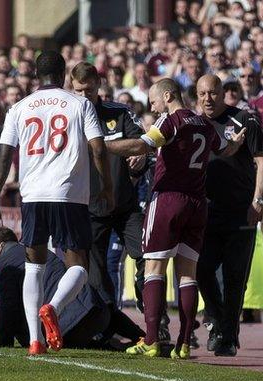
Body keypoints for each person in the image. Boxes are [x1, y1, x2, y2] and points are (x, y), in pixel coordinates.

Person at [0, 50, 113, 356]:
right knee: (79, 265)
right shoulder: (80, 104)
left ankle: (34, 341)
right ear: (64, 72)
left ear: (37, 74)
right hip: (69, 195)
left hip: (33, 196)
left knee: (34, 267)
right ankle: (52, 307)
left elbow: (4, 156)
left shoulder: (18, 108)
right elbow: (98, 149)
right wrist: (106, 187)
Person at [104, 78, 245, 359]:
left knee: (154, 268)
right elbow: (225, 149)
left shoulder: (170, 121)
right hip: (196, 203)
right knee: (187, 274)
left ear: (167, 96)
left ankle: (152, 339)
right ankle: (182, 343)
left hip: (168, 199)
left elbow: (140, 146)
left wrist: (100, 145)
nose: (153, 108)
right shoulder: (204, 123)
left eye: (154, 101)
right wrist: (237, 142)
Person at [69, 62, 154, 341]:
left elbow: (141, 145)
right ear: (71, 87)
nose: (84, 96)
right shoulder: (69, 119)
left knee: (146, 254)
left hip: (125, 205)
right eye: (78, 91)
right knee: (98, 271)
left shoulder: (119, 113)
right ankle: (108, 326)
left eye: (89, 90)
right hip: (90, 207)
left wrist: (136, 159)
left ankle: (153, 315)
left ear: (99, 86)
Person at [196, 74, 263, 357]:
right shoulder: (195, 123)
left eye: (212, 93)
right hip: (206, 212)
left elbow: (261, 161)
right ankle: (215, 317)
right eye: (202, 94)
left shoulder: (245, 120)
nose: (207, 99)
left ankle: (228, 336)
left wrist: (257, 201)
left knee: (236, 277)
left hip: (241, 211)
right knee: (202, 269)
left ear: (222, 93)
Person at [0, 227, 110, 349]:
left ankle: (38, 340)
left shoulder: (4, 264)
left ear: (1, 245)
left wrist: (5, 340)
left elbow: (8, 306)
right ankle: (121, 339)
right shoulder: (36, 251)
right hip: (97, 311)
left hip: (64, 326)